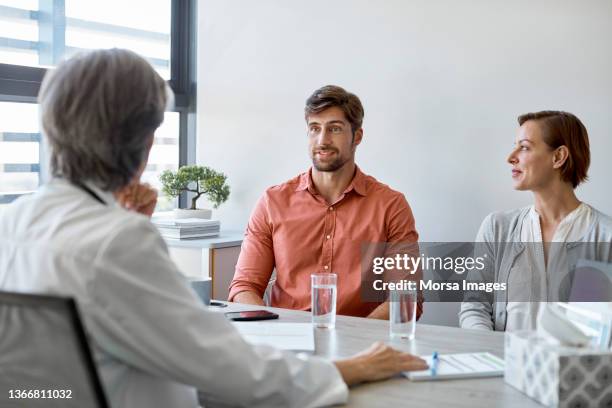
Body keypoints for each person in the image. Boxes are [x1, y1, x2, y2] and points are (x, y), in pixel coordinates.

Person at [0, 50, 427, 408]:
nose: (322, 139)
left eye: (334, 128)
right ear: (142, 142)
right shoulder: (120, 240)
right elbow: (230, 368)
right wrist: (347, 369)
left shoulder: (12, 222)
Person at [228, 85, 423, 319]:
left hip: (362, 342)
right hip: (286, 338)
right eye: (314, 128)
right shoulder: (273, 202)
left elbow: (406, 297)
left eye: (335, 129)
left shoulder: (391, 206)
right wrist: (272, 330)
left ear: (357, 136)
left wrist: (353, 337)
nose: (323, 140)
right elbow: (244, 287)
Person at [459, 111, 612, 331]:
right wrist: (493, 354)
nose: (511, 157)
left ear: (558, 157)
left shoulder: (605, 236)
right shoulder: (497, 228)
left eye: (524, 147)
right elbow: (475, 306)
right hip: (501, 363)